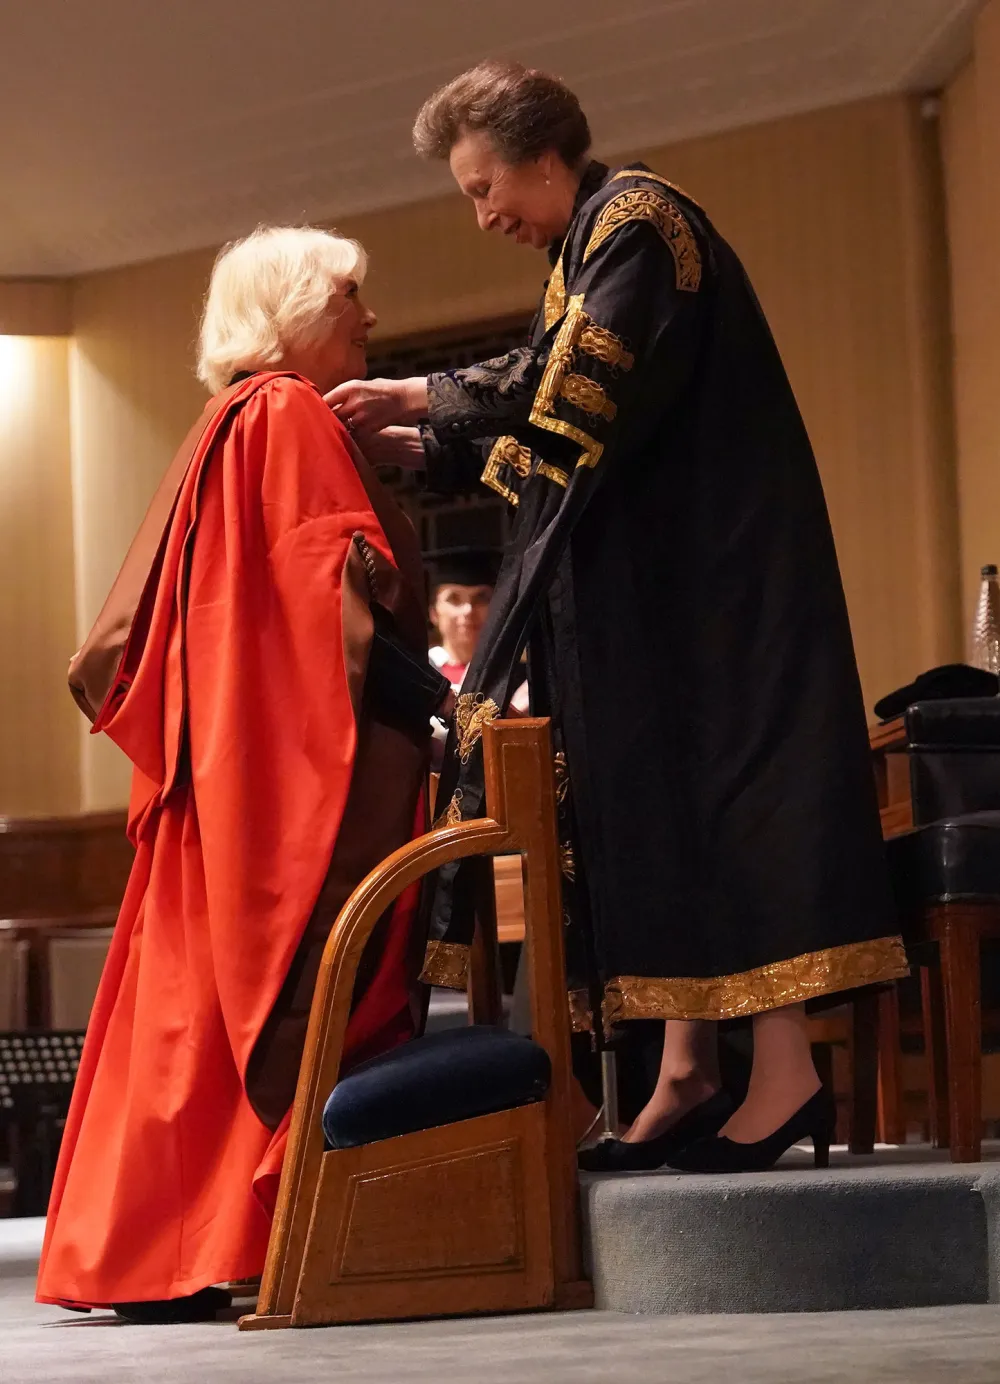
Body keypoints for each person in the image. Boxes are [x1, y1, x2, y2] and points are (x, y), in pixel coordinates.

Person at [327, 60, 908, 1175]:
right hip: (662, 587)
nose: (482, 211)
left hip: (721, 586)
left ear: (544, 158)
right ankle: (682, 1068)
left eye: (482, 185)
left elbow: (575, 384)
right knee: (658, 812)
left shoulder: (638, 221)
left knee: (729, 804)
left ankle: (779, 1076)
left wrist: (421, 399)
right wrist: (436, 439)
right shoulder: (583, 246)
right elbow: (560, 416)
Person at [37, 227, 451, 1321]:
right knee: (266, 996)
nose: (368, 317)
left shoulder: (229, 418)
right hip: (274, 777)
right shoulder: (285, 413)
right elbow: (330, 589)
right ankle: (225, 1238)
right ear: (288, 309)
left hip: (224, 776)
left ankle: (164, 1250)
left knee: (187, 1006)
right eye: (349, 294)